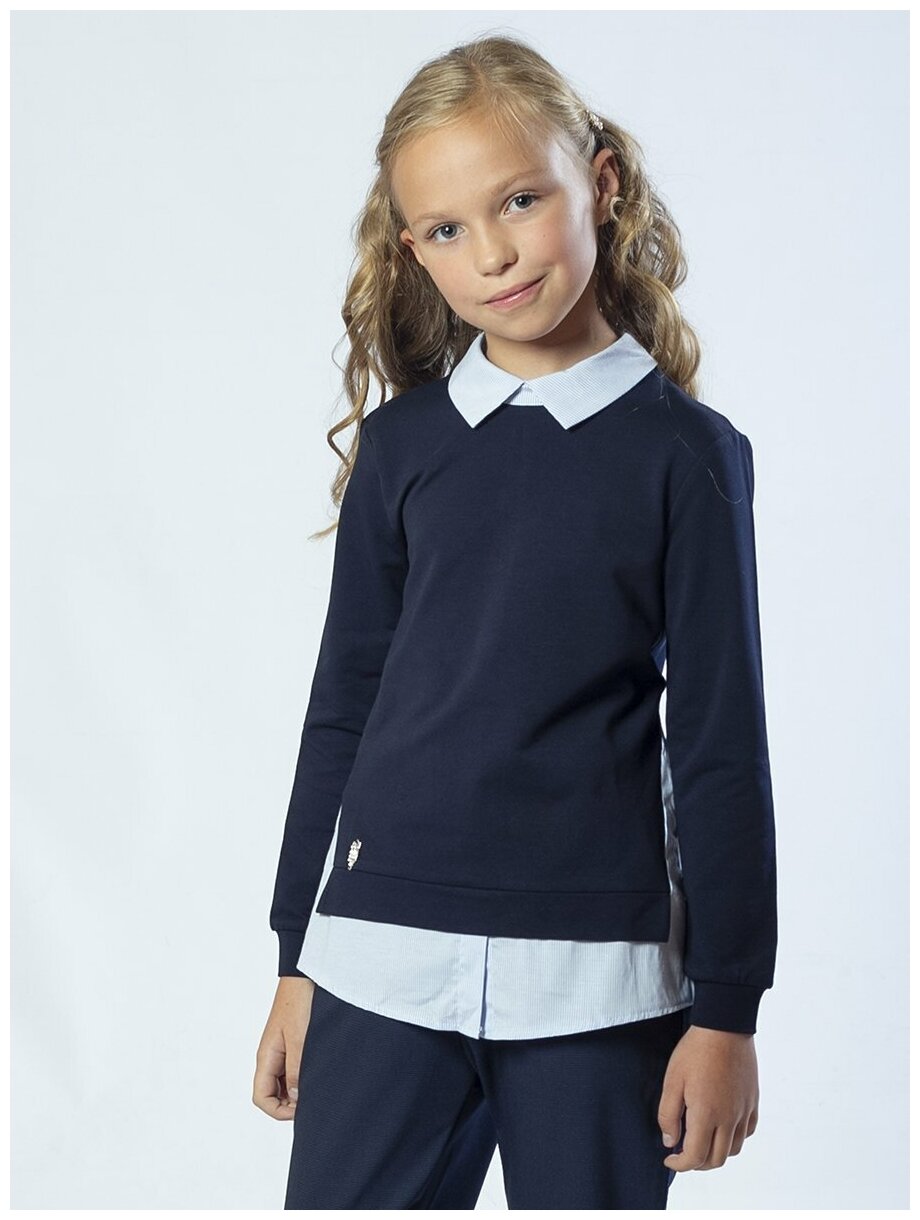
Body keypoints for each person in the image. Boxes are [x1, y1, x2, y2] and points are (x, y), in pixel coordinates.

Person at [252, 31, 778, 1210]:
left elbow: (719, 744)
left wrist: (727, 1009)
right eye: (444, 229)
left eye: (519, 201)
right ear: (410, 249)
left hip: (597, 981)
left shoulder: (685, 456)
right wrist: (296, 956)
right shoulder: (402, 448)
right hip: (377, 961)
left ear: (599, 182)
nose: (490, 253)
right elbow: (342, 710)